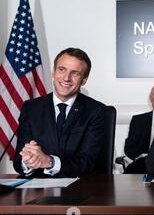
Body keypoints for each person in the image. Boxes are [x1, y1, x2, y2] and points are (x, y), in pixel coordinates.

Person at [13, 48, 106, 177]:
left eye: (75, 73)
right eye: (61, 70)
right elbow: (18, 161)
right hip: (38, 189)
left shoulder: (96, 111)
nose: (66, 78)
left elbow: (87, 162)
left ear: (84, 80)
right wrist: (28, 161)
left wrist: (50, 162)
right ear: (53, 72)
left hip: (79, 189)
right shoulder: (31, 108)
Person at [122, 83, 154, 173]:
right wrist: (142, 156)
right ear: (151, 98)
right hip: (144, 164)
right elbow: (129, 148)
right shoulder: (138, 120)